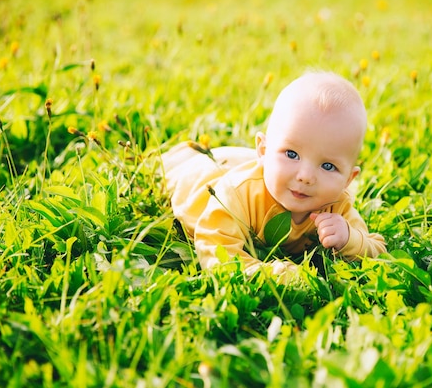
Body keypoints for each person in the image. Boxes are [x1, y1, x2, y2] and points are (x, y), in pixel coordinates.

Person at [162, 71, 386, 280]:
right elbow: (216, 249)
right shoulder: (236, 193)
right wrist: (271, 274)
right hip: (199, 176)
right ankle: (180, 153)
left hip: (251, 163)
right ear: (264, 150)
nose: (306, 176)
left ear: (348, 179)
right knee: (175, 163)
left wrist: (350, 238)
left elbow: (377, 250)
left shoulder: (337, 206)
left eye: (327, 166)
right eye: (292, 153)